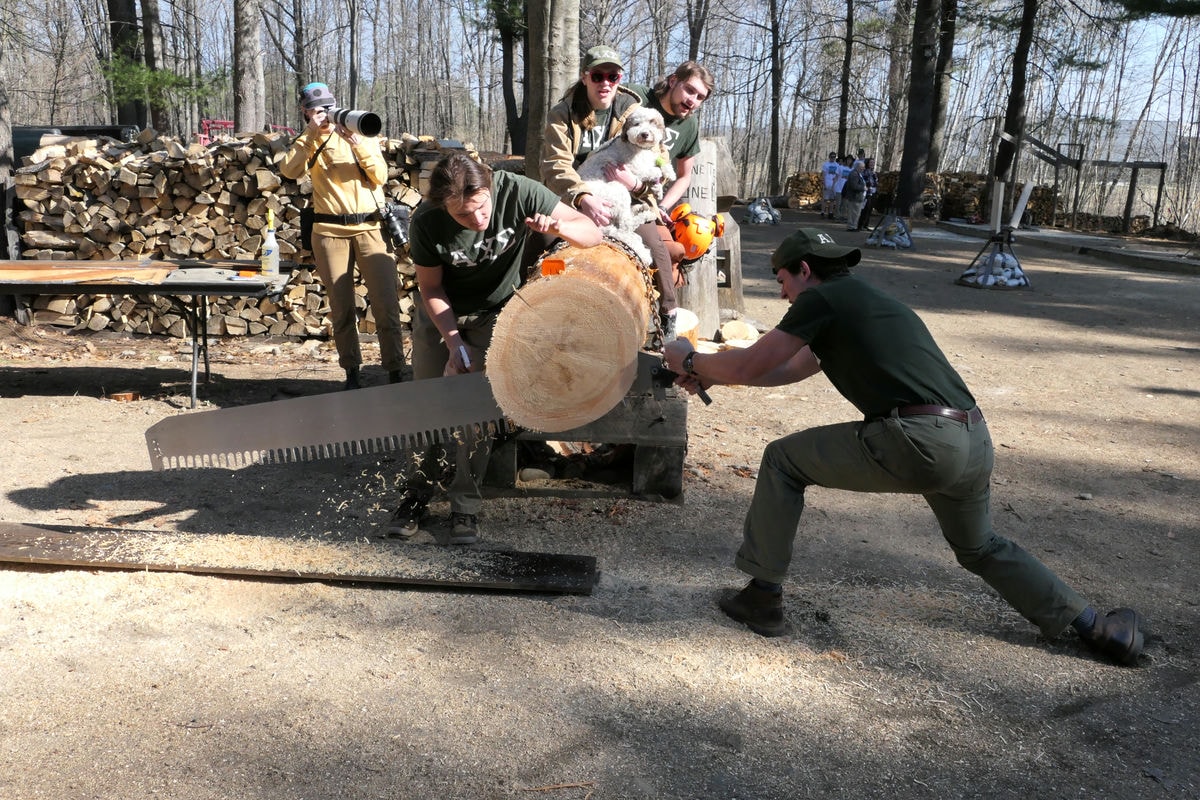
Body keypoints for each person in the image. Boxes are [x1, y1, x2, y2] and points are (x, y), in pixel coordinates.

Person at [662, 228, 1145, 667]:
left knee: (783, 460)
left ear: (804, 270)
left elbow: (749, 365)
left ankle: (762, 596)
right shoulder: (862, 300)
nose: (782, 292)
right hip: (972, 438)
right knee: (981, 546)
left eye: (781, 279)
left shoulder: (821, 300)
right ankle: (1097, 629)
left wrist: (688, 356)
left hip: (920, 441)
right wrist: (712, 376)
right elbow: (783, 368)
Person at [390, 152, 602, 544]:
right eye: (463, 217)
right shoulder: (425, 220)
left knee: (477, 411)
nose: (477, 221)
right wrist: (453, 343)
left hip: (496, 314)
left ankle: (465, 507)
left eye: (481, 208)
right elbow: (431, 288)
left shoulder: (518, 190)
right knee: (425, 406)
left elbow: (593, 233)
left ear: (489, 186)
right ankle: (416, 496)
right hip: (443, 314)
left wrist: (556, 225)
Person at [540, 46, 679, 340]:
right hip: (573, 195)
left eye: (612, 76)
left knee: (657, 248)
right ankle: (540, 308)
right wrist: (582, 197)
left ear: (619, 79)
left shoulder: (633, 111)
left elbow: (658, 158)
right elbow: (555, 165)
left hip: (628, 197)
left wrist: (637, 186)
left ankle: (666, 317)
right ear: (585, 77)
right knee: (545, 244)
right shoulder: (562, 113)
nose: (605, 83)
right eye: (598, 75)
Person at [279, 82, 407, 390]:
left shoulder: (359, 131)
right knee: (342, 306)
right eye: (315, 109)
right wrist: (313, 134)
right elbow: (288, 170)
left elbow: (379, 175)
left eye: (327, 107)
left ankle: (395, 371)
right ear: (306, 112)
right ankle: (351, 372)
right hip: (328, 232)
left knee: (386, 303)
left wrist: (355, 143)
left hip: (370, 229)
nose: (323, 113)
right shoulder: (308, 140)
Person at [620, 60, 716, 341]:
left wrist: (662, 206)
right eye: (690, 90)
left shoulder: (690, 126)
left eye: (700, 97)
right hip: (608, 186)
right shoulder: (637, 98)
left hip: (645, 201)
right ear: (673, 81)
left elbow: (684, 176)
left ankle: (663, 324)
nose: (693, 101)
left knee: (670, 253)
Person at [840, 159, 867, 232]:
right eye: (862, 167)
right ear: (857, 167)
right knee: (853, 213)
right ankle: (851, 227)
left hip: (858, 197)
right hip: (854, 197)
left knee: (856, 213)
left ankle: (854, 226)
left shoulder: (858, 174)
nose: (863, 168)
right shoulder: (854, 174)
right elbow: (854, 186)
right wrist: (863, 188)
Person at [857, 156, 878, 231]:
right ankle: (860, 225)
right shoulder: (865, 171)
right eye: (871, 162)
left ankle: (866, 225)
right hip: (867, 193)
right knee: (865, 209)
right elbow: (863, 182)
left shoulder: (873, 172)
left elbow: (875, 182)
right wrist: (868, 187)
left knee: (869, 210)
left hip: (873, 193)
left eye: (873, 162)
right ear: (868, 163)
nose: (872, 164)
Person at [820, 151, 840, 219]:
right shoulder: (826, 164)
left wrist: (836, 184)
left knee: (832, 199)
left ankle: (830, 213)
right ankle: (823, 212)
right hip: (827, 183)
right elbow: (823, 174)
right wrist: (824, 183)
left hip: (834, 184)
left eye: (834, 157)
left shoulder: (837, 165)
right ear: (829, 157)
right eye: (831, 157)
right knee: (825, 199)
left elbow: (837, 175)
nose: (833, 158)